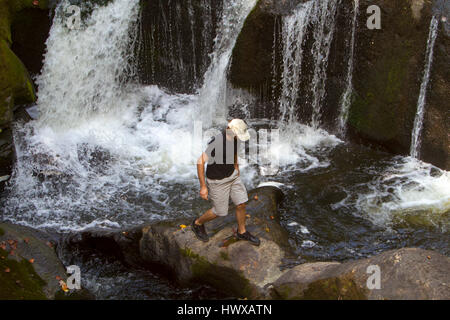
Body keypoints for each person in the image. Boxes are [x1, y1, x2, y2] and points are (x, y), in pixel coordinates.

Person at [192, 119, 260, 246]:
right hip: (217, 181)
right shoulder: (217, 142)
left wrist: (236, 166)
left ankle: (242, 232)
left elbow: (234, 152)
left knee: (241, 203)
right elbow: (200, 161)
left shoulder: (236, 138)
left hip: (232, 176)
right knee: (219, 212)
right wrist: (203, 187)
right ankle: (197, 223)